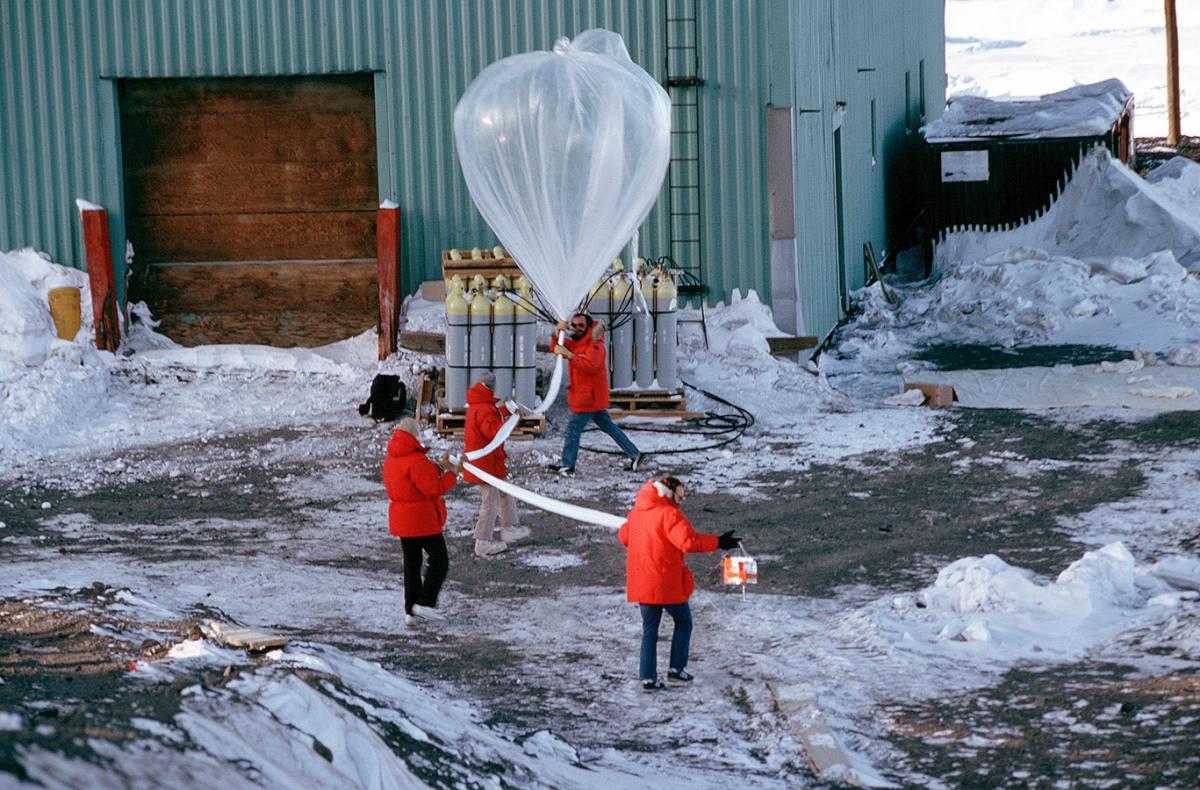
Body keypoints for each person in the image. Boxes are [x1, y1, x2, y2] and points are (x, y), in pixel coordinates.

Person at [617, 475, 739, 691]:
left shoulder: (636, 514)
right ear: (668, 492)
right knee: (684, 621)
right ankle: (676, 669)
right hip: (665, 582)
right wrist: (719, 542)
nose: (681, 501)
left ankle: (648, 678)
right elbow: (688, 542)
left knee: (649, 631)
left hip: (643, 583)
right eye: (680, 496)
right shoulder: (669, 515)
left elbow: (624, 537)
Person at [382, 417, 461, 624]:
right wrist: (453, 474)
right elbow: (433, 488)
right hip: (421, 519)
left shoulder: (392, 458)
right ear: (413, 436)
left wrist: (437, 469)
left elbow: (418, 478)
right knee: (439, 560)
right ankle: (425, 603)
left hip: (401, 519)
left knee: (412, 564)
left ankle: (411, 611)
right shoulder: (415, 460)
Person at [549, 312, 641, 477]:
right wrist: (558, 334)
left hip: (589, 398)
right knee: (609, 427)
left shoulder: (596, 345)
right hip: (589, 397)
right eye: (574, 325)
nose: (577, 328)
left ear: (588, 326)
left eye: (581, 326)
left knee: (573, 428)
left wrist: (569, 355)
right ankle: (635, 453)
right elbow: (558, 348)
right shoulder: (580, 343)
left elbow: (590, 365)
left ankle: (568, 465)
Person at [464, 371, 530, 556]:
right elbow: (492, 430)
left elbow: (491, 416)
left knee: (505, 492)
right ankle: (482, 541)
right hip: (486, 464)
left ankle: (509, 528)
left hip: (489, 462)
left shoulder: (479, 404)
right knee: (489, 501)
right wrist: (512, 420)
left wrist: (507, 411)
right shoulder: (484, 408)